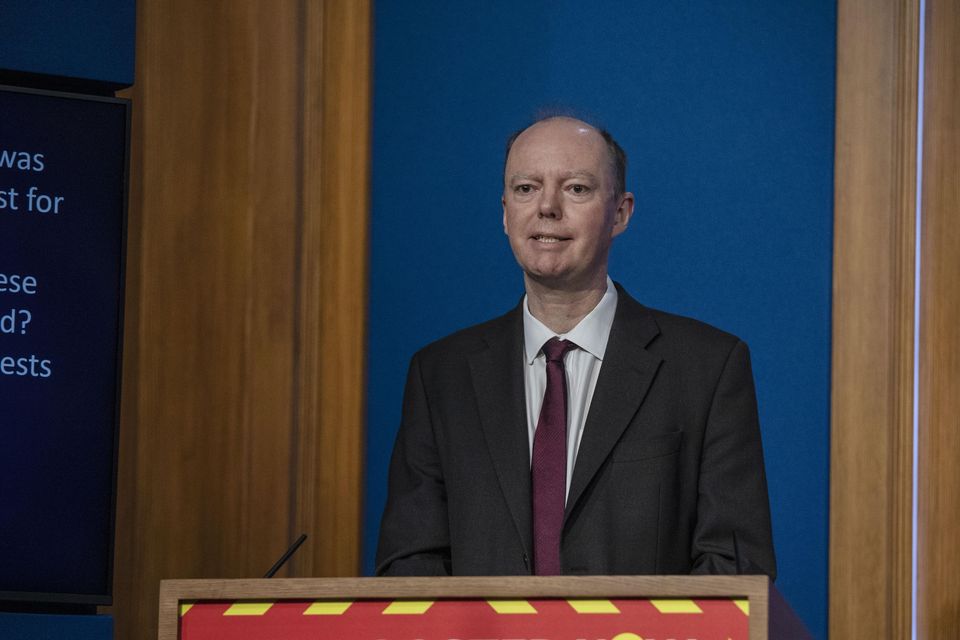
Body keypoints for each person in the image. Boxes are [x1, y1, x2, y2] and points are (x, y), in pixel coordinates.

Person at [375, 115, 776, 578]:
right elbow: (410, 569)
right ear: (505, 213)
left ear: (621, 212)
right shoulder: (439, 376)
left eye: (576, 189)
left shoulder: (707, 369)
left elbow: (734, 570)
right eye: (526, 188)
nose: (547, 206)